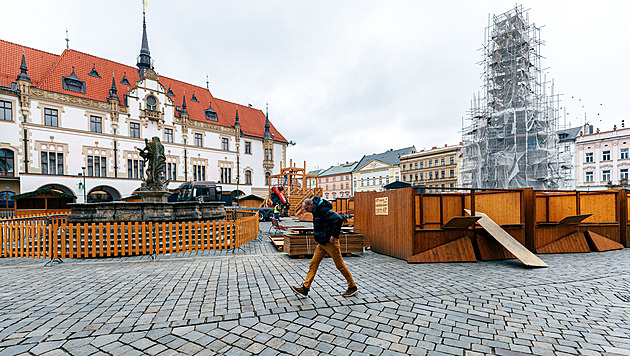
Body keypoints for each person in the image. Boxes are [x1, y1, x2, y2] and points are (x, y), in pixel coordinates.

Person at [290, 197, 357, 298]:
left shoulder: (323, 210)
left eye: (306, 209)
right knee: (313, 264)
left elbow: (338, 219)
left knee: (340, 265)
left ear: (311, 205)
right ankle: (305, 289)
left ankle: (352, 286)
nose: (306, 211)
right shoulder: (316, 211)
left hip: (330, 243)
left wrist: (333, 236)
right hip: (321, 242)